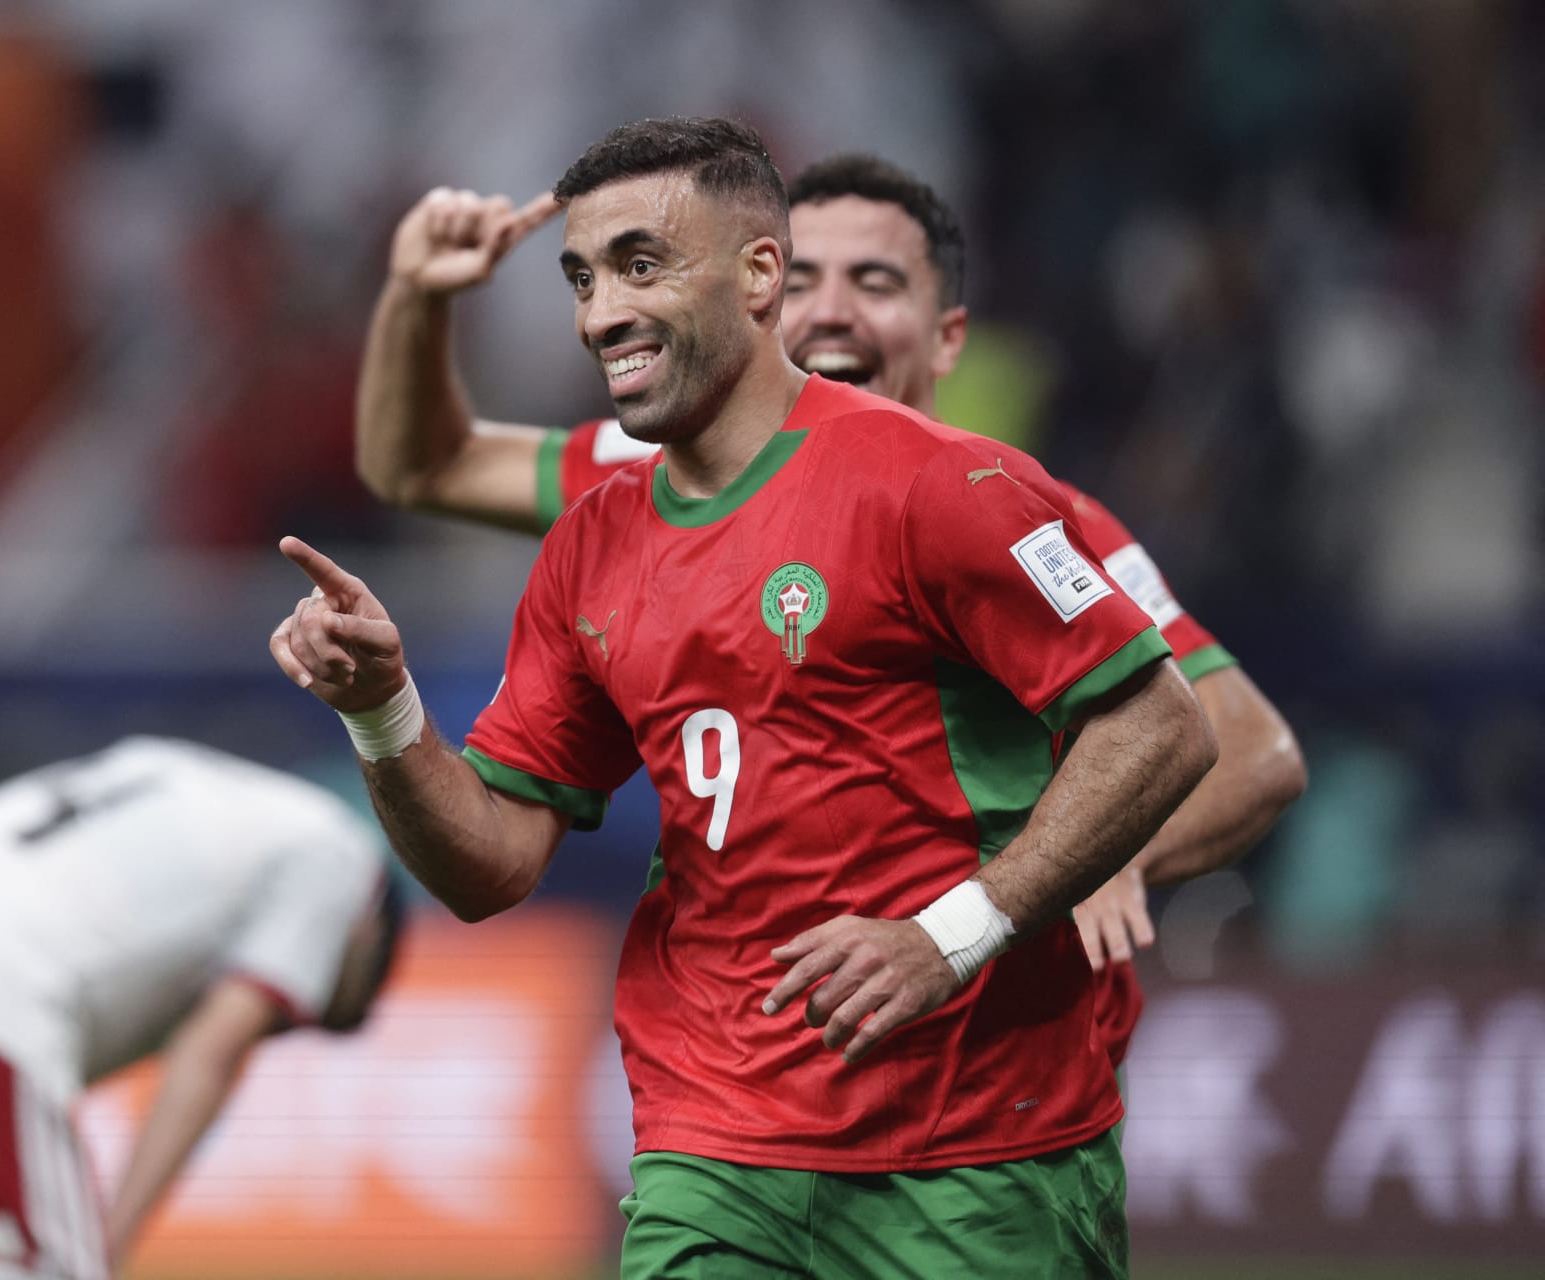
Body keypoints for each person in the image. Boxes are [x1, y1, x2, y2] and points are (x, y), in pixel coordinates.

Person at [275, 117, 1217, 1278]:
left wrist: (954, 931)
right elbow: (491, 862)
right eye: (582, 278)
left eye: (640, 264)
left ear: (761, 274)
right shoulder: (591, 542)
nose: (600, 314)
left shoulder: (941, 484)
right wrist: (381, 708)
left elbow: (1164, 721)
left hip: (975, 1149)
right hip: (714, 1145)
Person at [355, 150, 1307, 1072]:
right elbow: (423, 466)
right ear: (756, 286)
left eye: (876, 281)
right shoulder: (649, 479)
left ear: (946, 336)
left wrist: (1087, 859)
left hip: (990, 1073)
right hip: (732, 1074)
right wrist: (418, 296)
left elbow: (1246, 748)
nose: (831, 311)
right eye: (805, 278)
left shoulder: (1030, 517)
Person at [0, 736, 404, 1280]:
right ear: (366, 933)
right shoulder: (337, 854)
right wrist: (102, 1244)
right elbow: (211, 1051)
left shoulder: (167, 775)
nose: (284, 1022)